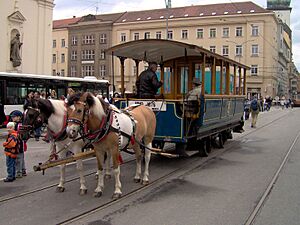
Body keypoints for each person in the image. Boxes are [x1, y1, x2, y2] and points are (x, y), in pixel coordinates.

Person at [10, 110, 27, 178]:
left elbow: (19, 134)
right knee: (21, 158)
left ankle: (19, 172)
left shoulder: (19, 125)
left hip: (18, 144)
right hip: (20, 144)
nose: (12, 118)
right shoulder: (20, 124)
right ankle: (23, 170)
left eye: (14, 117)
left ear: (19, 117)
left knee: (18, 159)